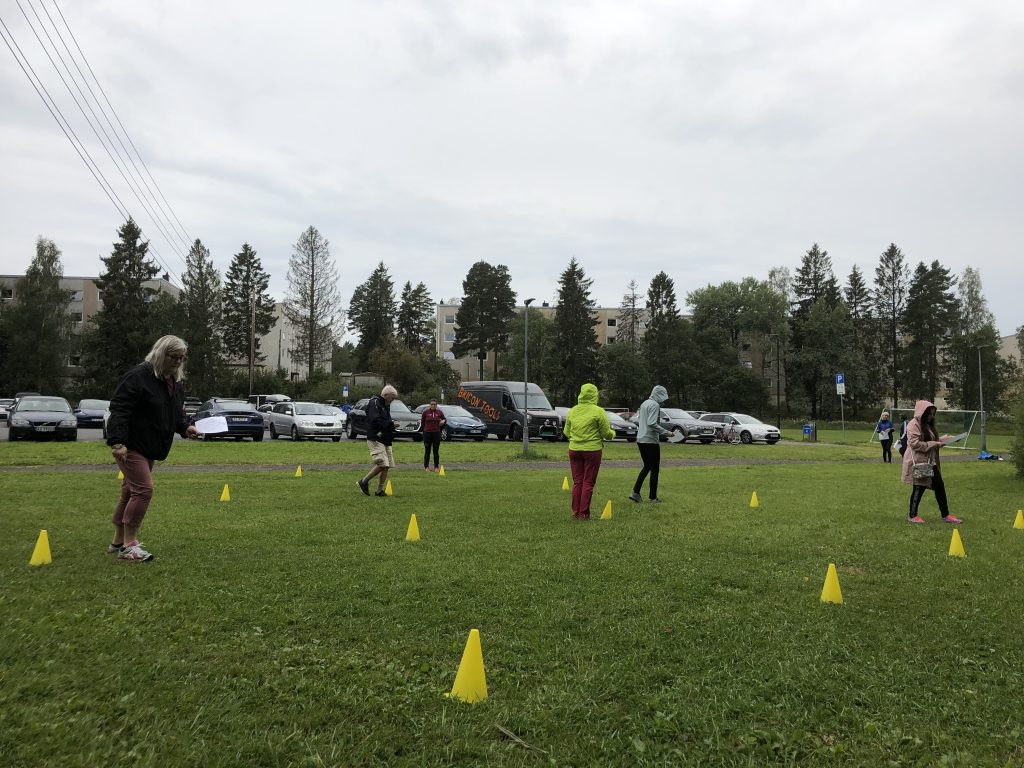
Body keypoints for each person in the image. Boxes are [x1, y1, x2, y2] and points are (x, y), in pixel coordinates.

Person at [104, 335, 199, 561]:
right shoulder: (138, 377)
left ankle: (118, 542)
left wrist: (186, 428)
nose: (177, 362)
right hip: (131, 445)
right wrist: (117, 442)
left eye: (181, 358)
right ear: (160, 353)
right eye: (173, 357)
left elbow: (174, 415)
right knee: (144, 490)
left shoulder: (173, 383)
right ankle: (130, 545)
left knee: (129, 491)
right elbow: (119, 409)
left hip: (150, 445)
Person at [902, 399, 961, 524]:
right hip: (919, 462)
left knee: (939, 486)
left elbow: (935, 440)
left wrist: (947, 439)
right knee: (919, 487)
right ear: (922, 413)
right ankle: (912, 515)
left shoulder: (928, 425)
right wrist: (933, 443)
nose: (931, 417)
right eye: (929, 414)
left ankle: (946, 515)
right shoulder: (913, 424)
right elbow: (915, 444)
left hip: (930, 462)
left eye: (933, 414)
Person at [563, 383, 616, 521]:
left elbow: (566, 432)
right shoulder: (598, 411)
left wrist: (577, 438)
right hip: (592, 450)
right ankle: (584, 514)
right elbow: (606, 433)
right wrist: (613, 433)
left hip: (574, 449)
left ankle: (576, 513)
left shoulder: (573, 410)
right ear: (595, 395)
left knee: (577, 482)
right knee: (588, 482)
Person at [629, 385, 673, 503]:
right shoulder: (655, 405)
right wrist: (667, 432)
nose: (664, 401)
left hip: (640, 439)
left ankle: (635, 492)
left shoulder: (644, 403)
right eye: (663, 397)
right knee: (654, 469)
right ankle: (653, 497)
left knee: (647, 466)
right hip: (650, 440)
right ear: (659, 395)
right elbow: (652, 423)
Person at [358, 384, 399, 497]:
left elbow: (386, 420)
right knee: (382, 463)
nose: (392, 401)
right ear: (385, 395)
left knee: (387, 465)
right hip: (375, 438)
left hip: (386, 438)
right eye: (392, 398)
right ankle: (363, 482)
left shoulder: (386, 405)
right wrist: (390, 424)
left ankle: (379, 490)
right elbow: (375, 420)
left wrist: (392, 425)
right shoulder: (374, 403)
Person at [419, 398, 446, 472]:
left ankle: (436, 467)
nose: (433, 406)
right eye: (431, 404)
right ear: (429, 405)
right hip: (427, 434)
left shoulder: (439, 412)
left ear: (436, 405)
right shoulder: (425, 412)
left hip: (436, 433)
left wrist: (443, 421)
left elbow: (445, 420)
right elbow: (422, 423)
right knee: (427, 451)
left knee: (436, 451)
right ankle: (426, 467)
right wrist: (424, 432)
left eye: (434, 404)